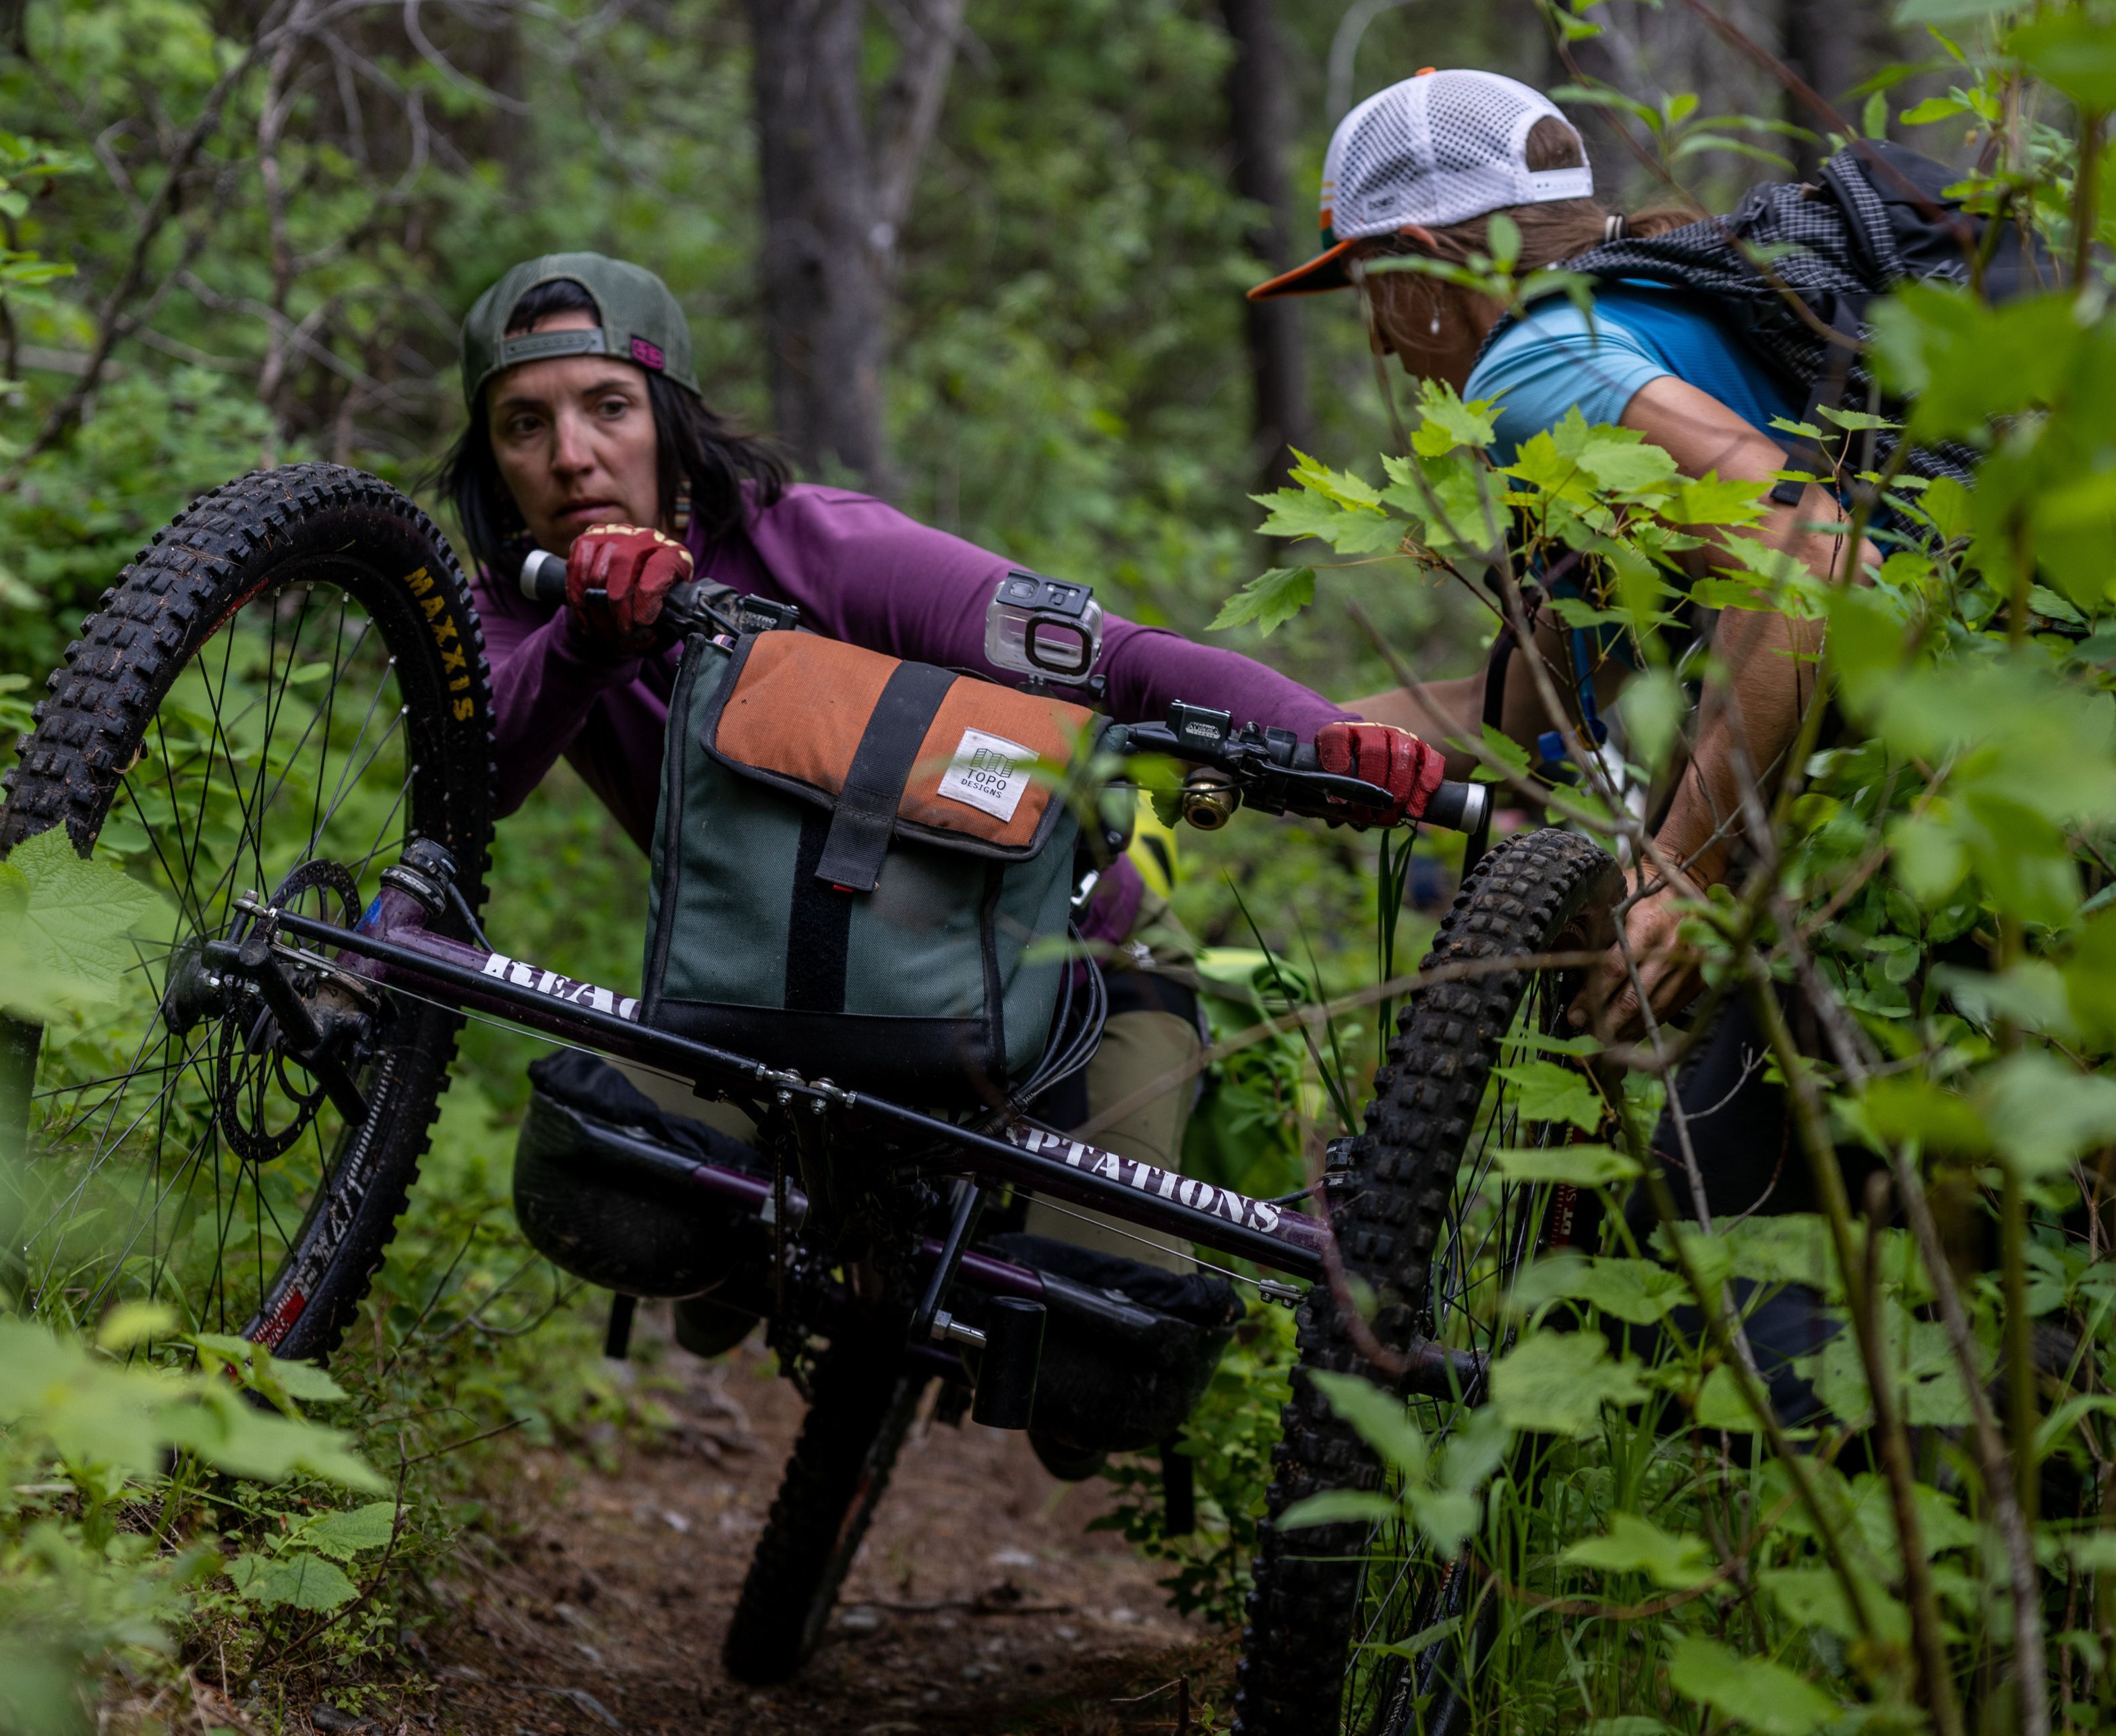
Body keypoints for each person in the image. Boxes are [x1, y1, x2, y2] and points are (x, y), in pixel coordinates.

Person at [440, 250, 1444, 1302]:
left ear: (672, 421)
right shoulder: (514, 611)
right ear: (493, 462)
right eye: (524, 424)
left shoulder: (818, 546)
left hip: (1077, 964)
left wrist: (1319, 732)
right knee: (608, 1183)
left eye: (608, 407)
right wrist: (586, 638)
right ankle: (758, 1272)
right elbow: (481, 773)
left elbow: (1115, 660)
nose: (570, 456)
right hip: (767, 983)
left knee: (1097, 1331)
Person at [1256, 69, 1873, 1420]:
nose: (1390, 348)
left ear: (1424, 273)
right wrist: (1330, 744)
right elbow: (1560, 663)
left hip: (1849, 872)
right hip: (1904, 842)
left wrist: (1684, 872)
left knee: (1744, 1302)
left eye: (1370, 301)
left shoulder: (1535, 362)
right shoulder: (1648, 310)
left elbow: (1809, 554)